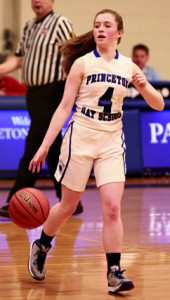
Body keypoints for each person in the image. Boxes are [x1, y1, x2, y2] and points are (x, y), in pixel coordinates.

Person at [27, 9, 164, 293]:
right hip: (81, 135)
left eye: (107, 25)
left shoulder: (128, 66)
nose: (100, 29)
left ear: (119, 33)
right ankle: (41, 245)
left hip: (112, 139)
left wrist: (142, 85)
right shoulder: (81, 64)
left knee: (112, 207)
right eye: (97, 25)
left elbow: (158, 105)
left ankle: (114, 272)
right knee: (67, 206)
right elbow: (64, 107)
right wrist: (44, 146)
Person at [0, 0, 83, 218]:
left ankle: (17, 198)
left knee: (34, 145)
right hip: (33, 95)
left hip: (52, 93)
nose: (37, 1)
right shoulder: (28, 26)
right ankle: (72, 201)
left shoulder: (61, 23)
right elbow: (17, 60)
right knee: (53, 150)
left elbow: (73, 56)